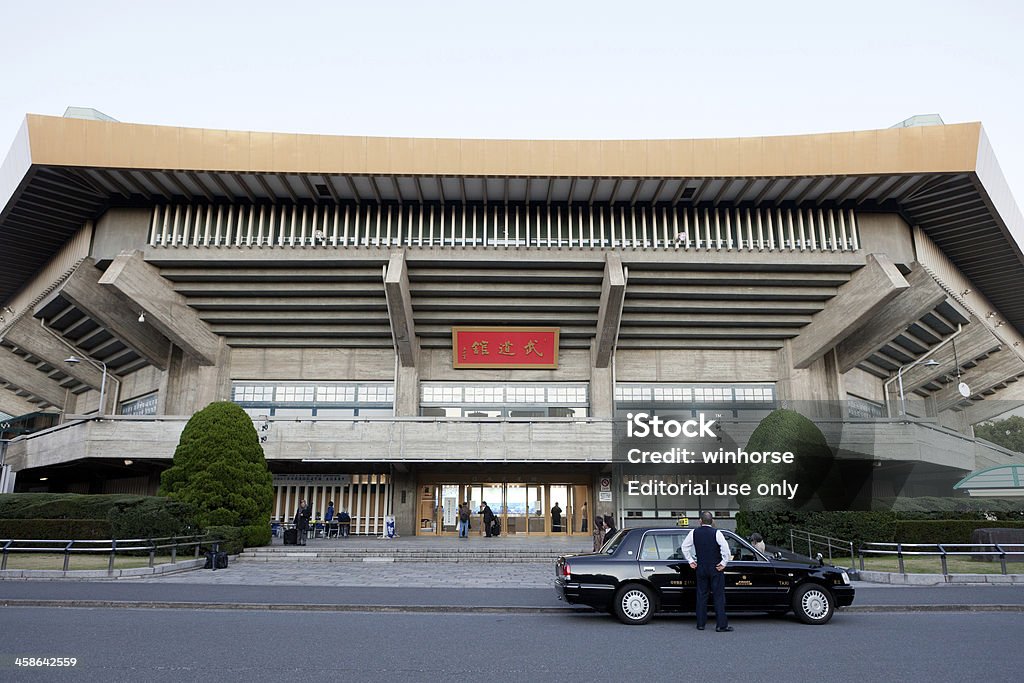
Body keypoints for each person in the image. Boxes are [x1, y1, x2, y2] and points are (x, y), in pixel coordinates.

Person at [681, 511, 733, 632]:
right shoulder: (717, 533)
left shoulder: (693, 532)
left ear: (700, 521)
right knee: (718, 596)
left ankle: (700, 624)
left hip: (701, 567)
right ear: (712, 521)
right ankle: (721, 625)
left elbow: (684, 547)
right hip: (715, 567)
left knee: (701, 595)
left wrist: (690, 561)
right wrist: (723, 563)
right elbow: (726, 550)